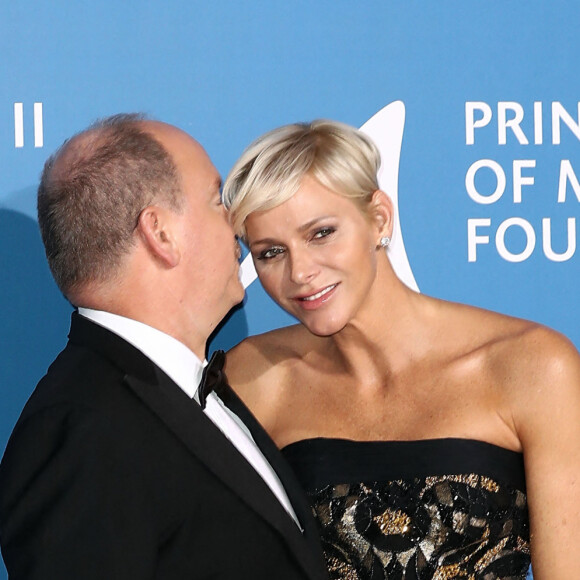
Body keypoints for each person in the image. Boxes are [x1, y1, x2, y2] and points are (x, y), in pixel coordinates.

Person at [222, 120, 580, 579]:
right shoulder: (254, 378)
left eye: (321, 233)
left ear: (379, 218)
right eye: (270, 252)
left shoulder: (531, 366)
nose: (300, 272)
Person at [0, 114, 328, 580]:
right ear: (160, 233)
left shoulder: (188, 390)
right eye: (217, 201)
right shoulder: (82, 431)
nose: (238, 225)